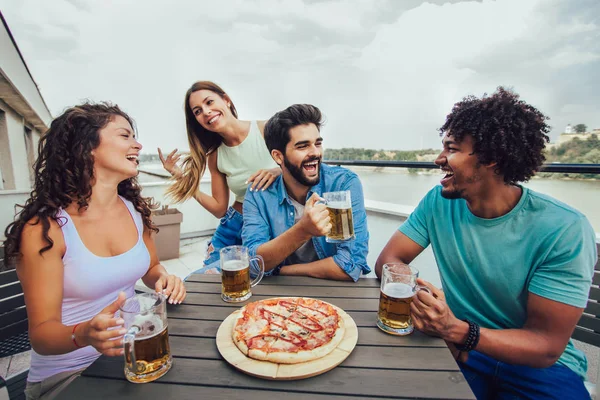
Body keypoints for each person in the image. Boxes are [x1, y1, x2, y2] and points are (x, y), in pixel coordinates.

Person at [375, 87, 596, 399]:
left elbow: (545, 347)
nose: (439, 159)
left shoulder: (564, 229)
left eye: (451, 148)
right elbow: (388, 260)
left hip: (539, 370)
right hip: (463, 352)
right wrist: (420, 294)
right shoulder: (438, 202)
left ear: (491, 158)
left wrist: (457, 330)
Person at [3, 103, 187, 400]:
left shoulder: (134, 210)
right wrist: (84, 334)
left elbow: (152, 268)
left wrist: (164, 278)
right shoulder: (44, 230)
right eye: (125, 136)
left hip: (132, 356)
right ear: (87, 147)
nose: (137, 144)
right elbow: (41, 335)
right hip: (69, 374)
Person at [158, 81, 279, 273]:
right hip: (233, 227)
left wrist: (277, 171)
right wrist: (183, 180)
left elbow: (306, 162)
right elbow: (219, 208)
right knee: (201, 283)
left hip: (270, 228)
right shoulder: (215, 155)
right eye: (197, 111)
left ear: (227, 101)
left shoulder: (266, 129)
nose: (205, 111)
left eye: (209, 102)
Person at [242, 104, 370, 281]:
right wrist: (303, 230)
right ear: (278, 156)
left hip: (334, 291)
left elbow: (351, 265)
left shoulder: (343, 184)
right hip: (278, 296)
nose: (315, 153)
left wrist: (282, 270)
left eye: (318, 143)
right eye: (303, 146)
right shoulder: (259, 194)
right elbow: (253, 264)